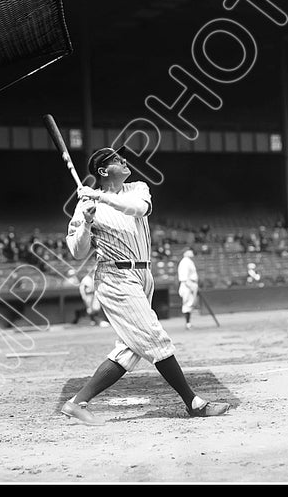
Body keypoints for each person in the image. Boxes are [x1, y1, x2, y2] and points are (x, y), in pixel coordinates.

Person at [60, 146, 230, 426]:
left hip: (143, 275)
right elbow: (77, 252)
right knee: (155, 337)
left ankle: (76, 403)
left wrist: (99, 196)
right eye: (116, 159)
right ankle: (194, 403)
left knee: (129, 349)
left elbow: (138, 209)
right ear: (103, 171)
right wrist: (87, 220)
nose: (123, 160)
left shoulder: (137, 188)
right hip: (114, 276)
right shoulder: (85, 205)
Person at [177, 249, 199, 329]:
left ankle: (188, 323)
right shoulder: (185, 262)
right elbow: (184, 277)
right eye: (189, 251)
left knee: (190, 304)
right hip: (187, 284)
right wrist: (191, 286)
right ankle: (188, 324)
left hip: (190, 283)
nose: (192, 252)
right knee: (187, 304)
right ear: (185, 253)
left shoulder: (189, 261)